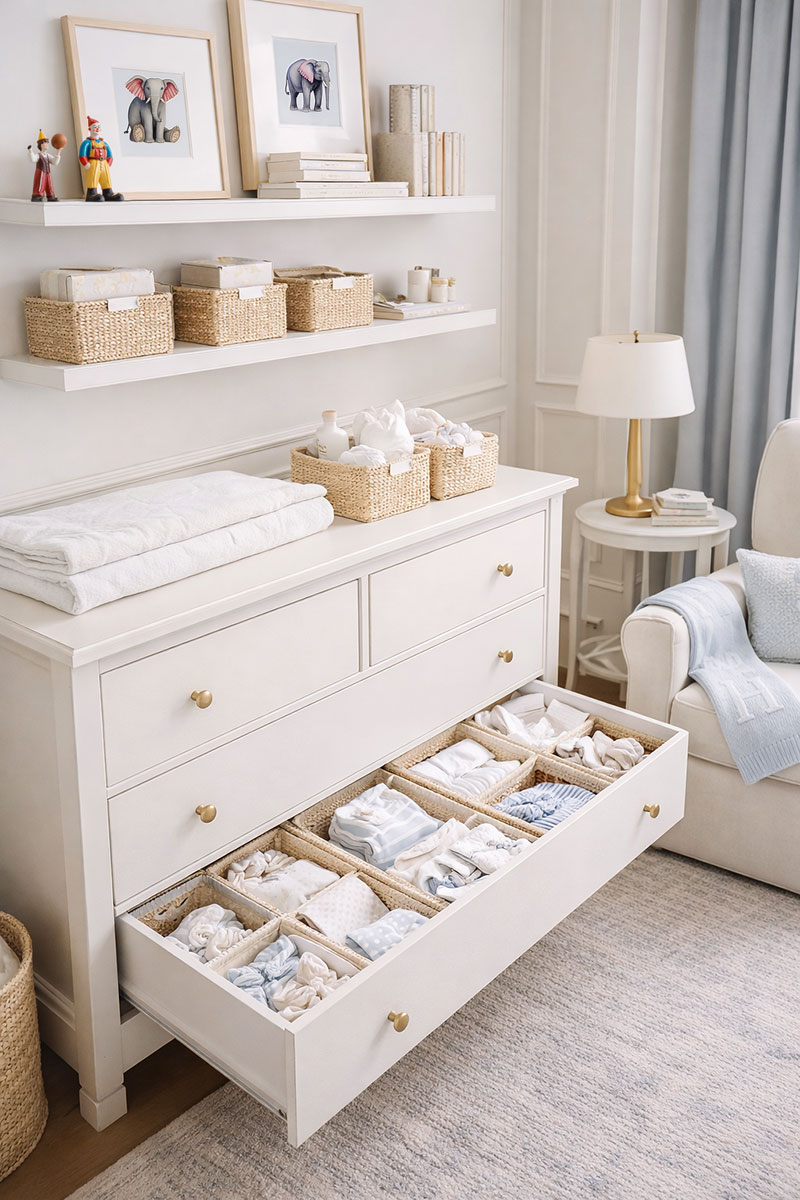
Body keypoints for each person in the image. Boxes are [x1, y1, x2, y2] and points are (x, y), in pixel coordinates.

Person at [78, 116, 124, 202]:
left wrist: (108, 164)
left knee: (106, 179)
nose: (97, 129)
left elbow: (110, 155)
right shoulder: (87, 142)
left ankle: (108, 193)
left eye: (98, 127)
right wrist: (86, 164)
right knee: (93, 179)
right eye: (95, 127)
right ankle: (91, 193)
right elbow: (82, 154)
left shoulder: (104, 143)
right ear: (89, 129)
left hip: (104, 163)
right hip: (93, 163)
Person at [27, 130, 60, 202]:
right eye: (45, 143)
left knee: (49, 184)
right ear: (41, 145)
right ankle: (37, 195)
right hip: (41, 172)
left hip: (48, 172)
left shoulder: (48, 155)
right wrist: (31, 151)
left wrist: (58, 152)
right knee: (40, 184)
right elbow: (33, 159)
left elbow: (55, 162)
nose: (47, 145)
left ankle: (50, 196)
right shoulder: (38, 155)